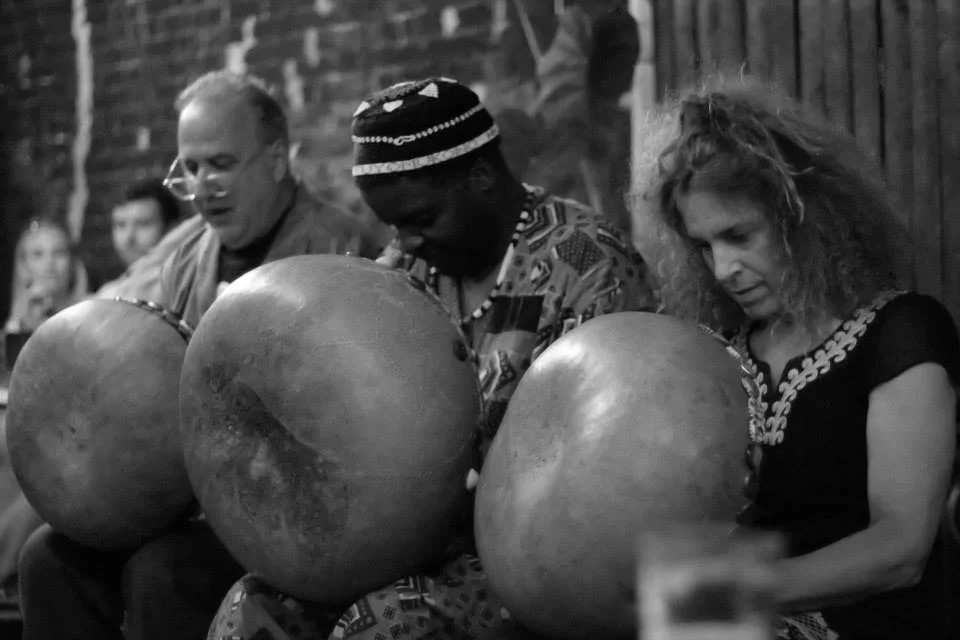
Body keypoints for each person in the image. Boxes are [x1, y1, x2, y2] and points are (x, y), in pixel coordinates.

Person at [207, 76, 659, 640]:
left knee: (390, 621)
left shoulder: (586, 263)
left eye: (421, 218)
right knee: (253, 605)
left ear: (482, 177)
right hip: (400, 534)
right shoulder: (404, 273)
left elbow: (614, 462)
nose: (406, 241)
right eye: (393, 224)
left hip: (526, 554)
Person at [15, 70, 380, 640]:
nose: (203, 184)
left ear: (278, 159)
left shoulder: (346, 252)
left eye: (221, 164)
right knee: (49, 556)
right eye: (190, 167)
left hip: (286, 507)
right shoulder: (185, 255)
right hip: (183, 498)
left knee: (164, 573)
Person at [637, 74, 959, 640]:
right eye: (704, 246)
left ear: (803, 215)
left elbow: (902, 548)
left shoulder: (902, 332)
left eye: (739, 235)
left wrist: (720, 593)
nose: (722, 269)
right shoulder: (720, 353)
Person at [95, 178, 188, 301]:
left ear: (172, 229)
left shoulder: (187, 288)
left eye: (143, 224)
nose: (129, 237)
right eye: (120, 224)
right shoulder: (107, 295)